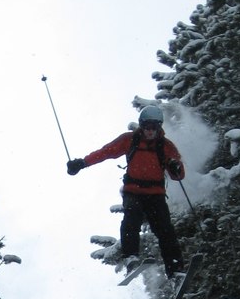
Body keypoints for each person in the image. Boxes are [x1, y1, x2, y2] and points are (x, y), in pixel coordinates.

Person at [66, 104, 185, 277]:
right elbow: (106, 152)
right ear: (141, 125)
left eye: (154, 127)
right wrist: (82, 163)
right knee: (131, 218)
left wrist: (175, 166)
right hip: (134, 191)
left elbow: (178, 175)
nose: (150, 131)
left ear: (159, 127)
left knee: (165, 230)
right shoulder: (130, 140)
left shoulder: (165, 146)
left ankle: (175, 270)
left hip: (155, 194)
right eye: (146, 127)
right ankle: (131, 258)